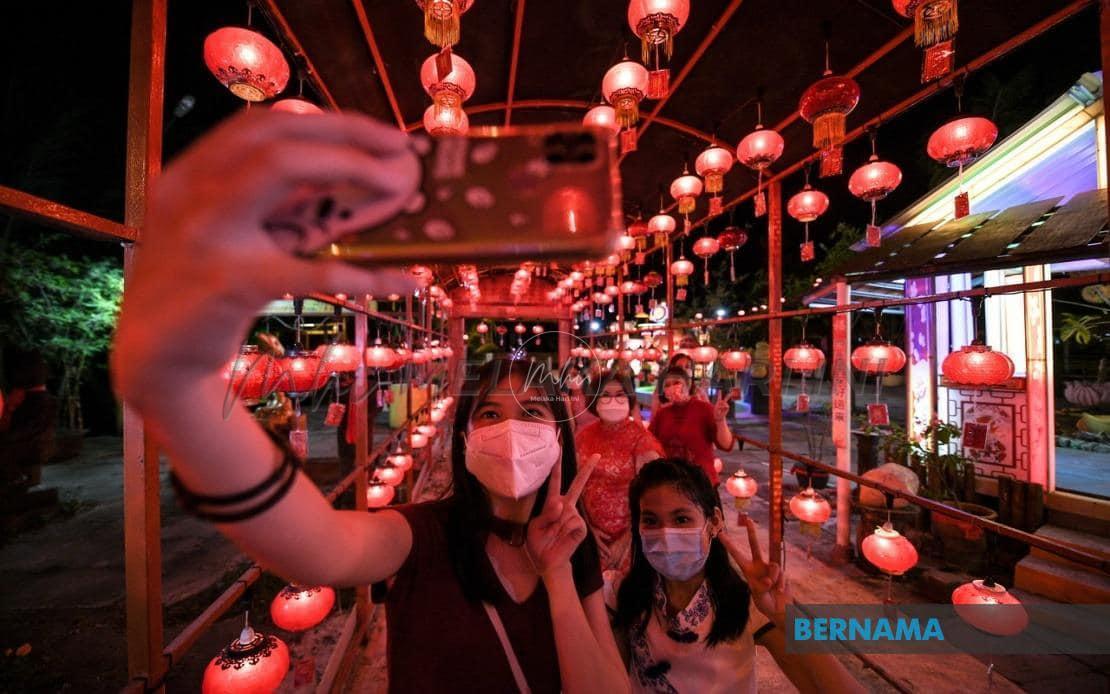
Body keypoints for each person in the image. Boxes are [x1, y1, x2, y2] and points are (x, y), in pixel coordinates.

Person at [111, 110, 628, 694]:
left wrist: (557, 572)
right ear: (463, 439)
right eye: (489, 413)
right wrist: (183, 393)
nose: (511, 431)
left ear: (561, 434)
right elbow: (319, 549)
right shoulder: (419, 537)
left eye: (533, 413)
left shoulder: (572, 547)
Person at [614, 459, 862, 694]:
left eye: (681, 519)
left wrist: (786, 619)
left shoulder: (745, 603)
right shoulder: (622, 595)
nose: (666, 534)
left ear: (713, 522)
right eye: (650, 520)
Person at [575, 371, 663, 575]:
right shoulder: (583, 437)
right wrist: (587, 529)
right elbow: (575, 486)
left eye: (620, 394)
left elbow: (654, 497)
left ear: (629, 398)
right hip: (590, 535)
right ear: (594, 398)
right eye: (605, 394)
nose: (612, 400)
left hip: (631, 538)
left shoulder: (642, 440)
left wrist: (627, 540)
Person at [648, 367, 733, 486]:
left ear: (688, 385)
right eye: (667, 385)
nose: (672, 388)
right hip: (671, 483)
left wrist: (720, 420)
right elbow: (649, 443)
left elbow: (726, 445)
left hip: (701, 483)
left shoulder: (704, 409)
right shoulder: (662, 414)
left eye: (677, 383)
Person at [0, 349, 58, 492]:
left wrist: (8, 436)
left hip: (33, 444)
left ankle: (16, 478)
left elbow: (32, 428)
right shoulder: (24, 395)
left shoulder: (42, 400)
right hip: (25, 441)